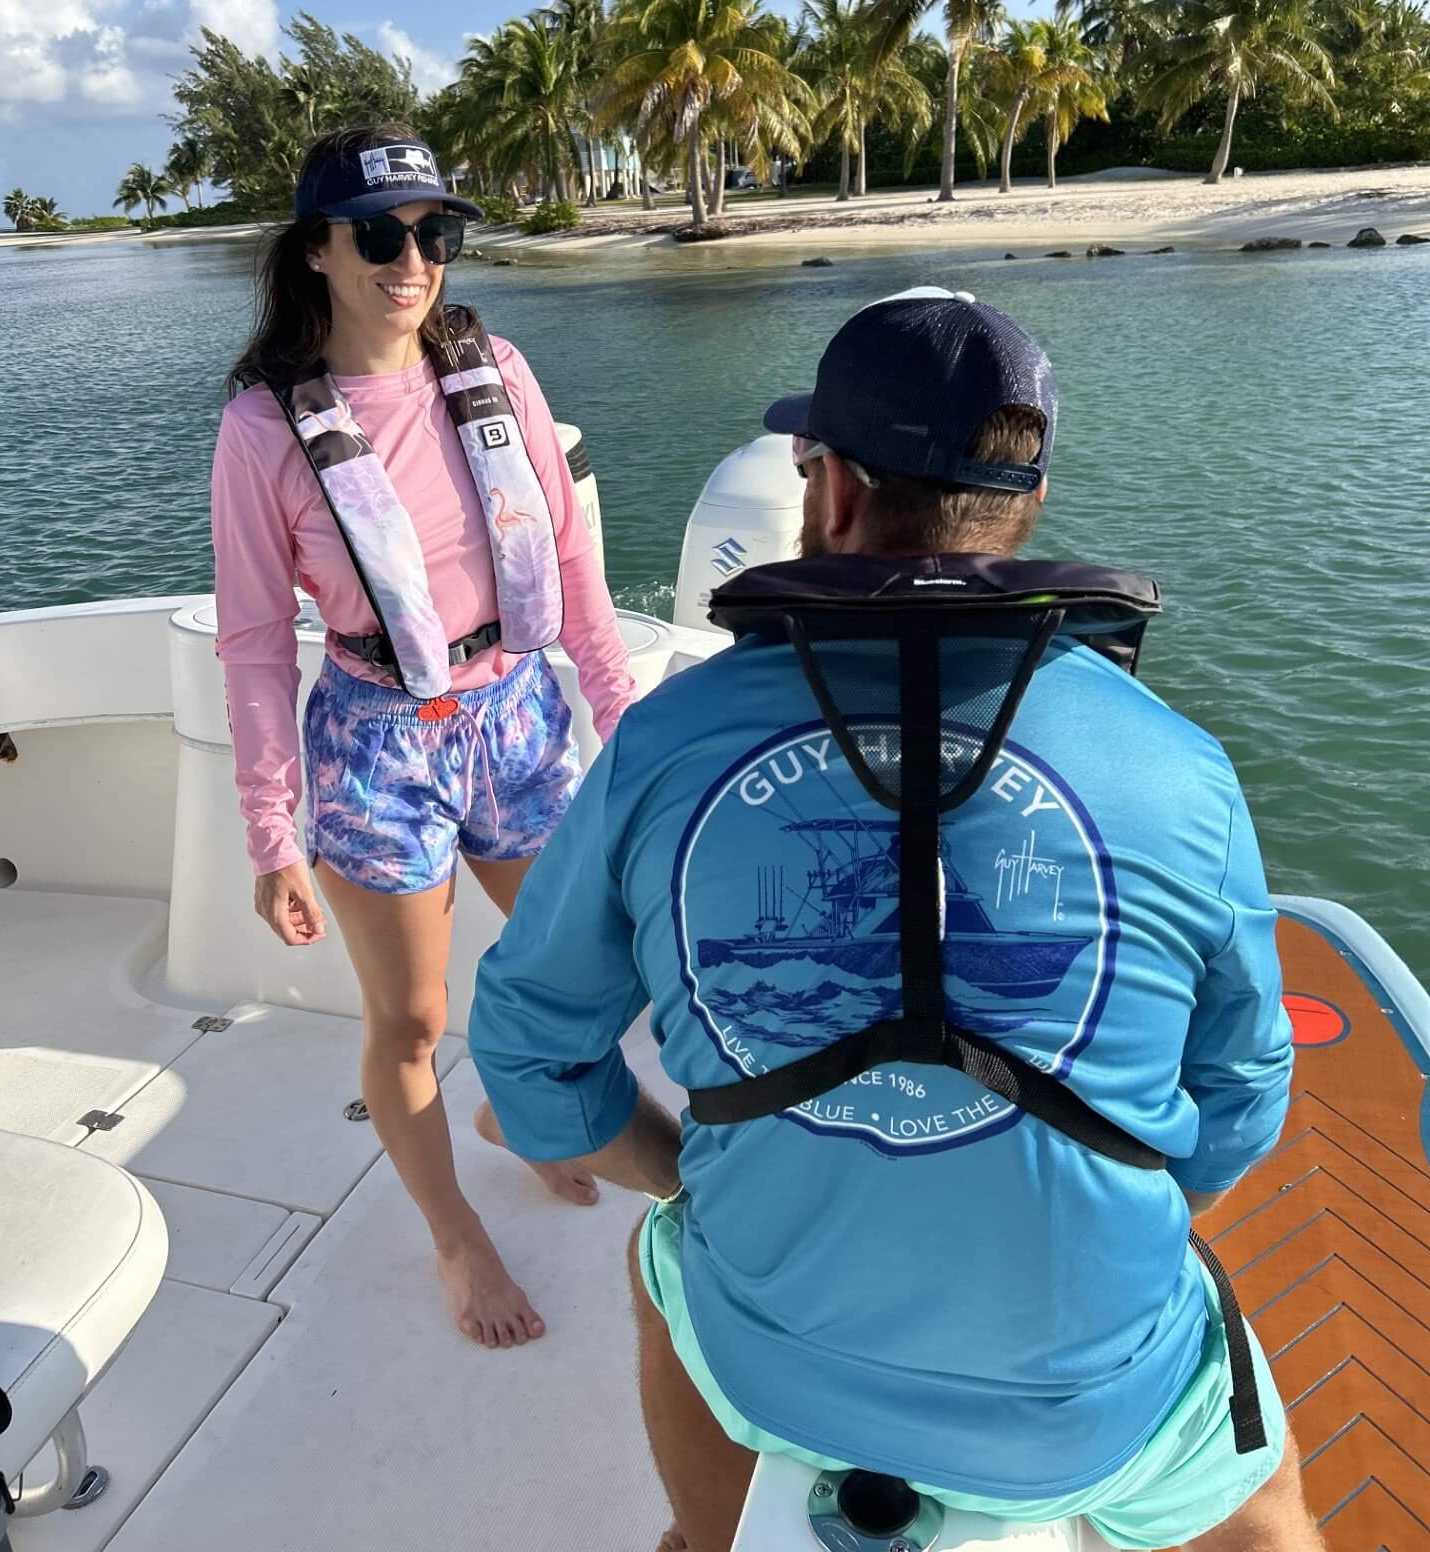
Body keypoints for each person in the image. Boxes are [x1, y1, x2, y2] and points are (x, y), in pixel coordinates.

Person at [468, 287, 1322, 1551]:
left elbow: (531, 1064)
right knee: (1273, 1504)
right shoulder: (1176, 763)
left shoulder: (664, 745)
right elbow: (1246, 1090)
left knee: (669, 1273)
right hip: (1087, 1406)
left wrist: (681, 1181)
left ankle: (706, 1538)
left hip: (781, 1363)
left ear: (833, 495)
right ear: (1026, 504)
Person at [212, 122, 633, 1351]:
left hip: (516, 718)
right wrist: (271, 831)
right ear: (317, 254)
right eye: (383, 236)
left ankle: (518, 1112)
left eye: (437, 232)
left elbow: (571, 563)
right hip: (373, 742)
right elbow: (248, 640)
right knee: (406, 1020)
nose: (414, 260)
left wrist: (621, 715)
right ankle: (456, 1236)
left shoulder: (496, 370)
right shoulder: (262, 432)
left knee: (579, 967)